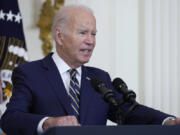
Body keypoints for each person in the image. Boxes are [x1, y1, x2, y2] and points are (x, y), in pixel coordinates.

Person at [0, 5, 180, 135]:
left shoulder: (99, 78)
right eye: (83, 33)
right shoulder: (30, 73)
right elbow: (11, 119)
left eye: (93, 34)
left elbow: (129, 111)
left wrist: (168, 121)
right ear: (59, 36)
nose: (91, 41)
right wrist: (48, 123)